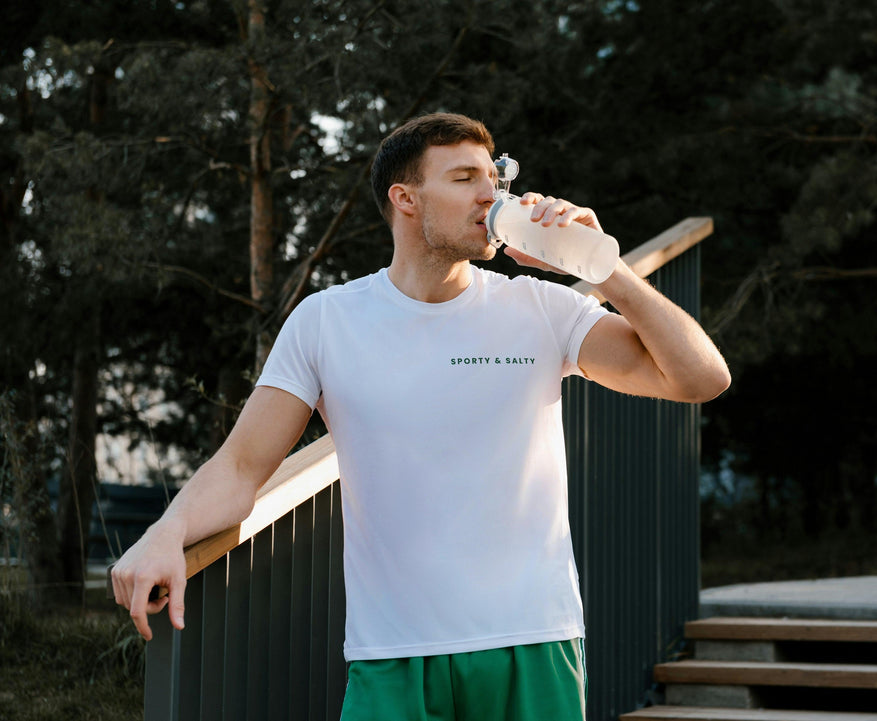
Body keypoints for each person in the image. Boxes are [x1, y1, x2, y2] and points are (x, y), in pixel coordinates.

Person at [111, 112, 730, 720]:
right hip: (392, 656)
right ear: (405, 198)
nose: (490, 194)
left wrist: (604, 267)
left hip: (533, 642)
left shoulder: (543, 306)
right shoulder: (327, 320)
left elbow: (702, 378)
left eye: (494, 177)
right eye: (464, 178)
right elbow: (242, 466)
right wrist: (167, 532)